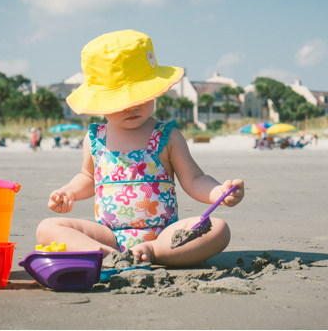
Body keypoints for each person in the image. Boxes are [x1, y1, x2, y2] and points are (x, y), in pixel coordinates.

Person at [36, 30, 245, 267]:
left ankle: (153, 252)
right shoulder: (95, 139)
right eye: (121, 101)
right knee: (48, 228)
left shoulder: (167, 136)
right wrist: (70, 192)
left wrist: (219, 192)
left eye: (140, 96)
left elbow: (194, 178)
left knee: (218, 229)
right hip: (109, 235)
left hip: (163, 233)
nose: (132, 107)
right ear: (100, 102)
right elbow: (88, 177)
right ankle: (105, 255)